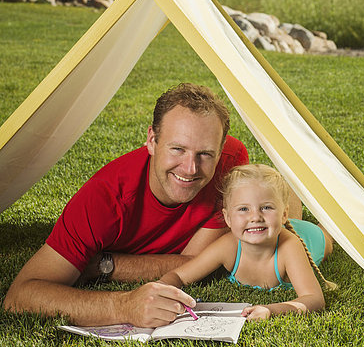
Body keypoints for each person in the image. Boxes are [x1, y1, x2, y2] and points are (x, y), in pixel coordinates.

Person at [3, 83, 250, 327]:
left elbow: (198, 262)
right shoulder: (104, 198)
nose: (191, 168)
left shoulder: (231, 161)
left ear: (219, 151)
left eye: (205, 154)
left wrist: (104, 265)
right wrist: (124, 305)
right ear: (152, 140)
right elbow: (20, 297)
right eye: (177, 149)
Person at [159, 164, 336, 320]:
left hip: (309, 237)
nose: (255, 217)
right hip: (276, 226)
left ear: (283, 215)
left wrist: (270, 310)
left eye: (266, 207)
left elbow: (314, 299)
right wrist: (160, 290)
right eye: (244, 209)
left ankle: (331, 209)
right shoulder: (228, 246)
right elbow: (179, 276)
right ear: (227, 218)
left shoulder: (289, 247)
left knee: (329, 235)